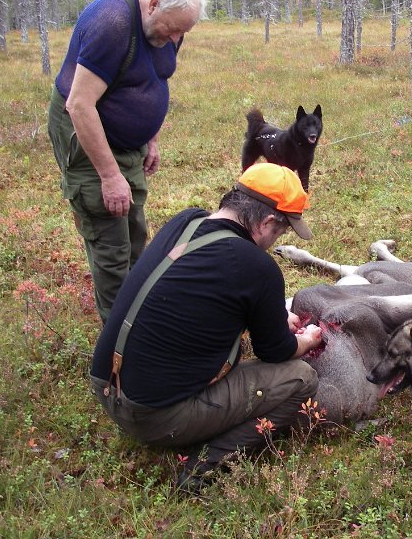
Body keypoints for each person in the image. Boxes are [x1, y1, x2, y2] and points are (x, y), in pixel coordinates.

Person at [89, 163, 323, 492]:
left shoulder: (185, 221)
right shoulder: (257, 266)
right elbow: (276, 351)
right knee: (302, 378)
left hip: (105, 385)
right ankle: (205, 465)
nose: (275, 242)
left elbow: (202, 296)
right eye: (281, 233)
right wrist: (306, 340)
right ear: (267, 222)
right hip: (153, 418)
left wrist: (271, 315)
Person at [48, 0, 208, 323]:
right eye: (173, 29)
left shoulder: (167, 25)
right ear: (153, 5)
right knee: (111, 240)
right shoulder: (112, 23)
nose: (176, 38)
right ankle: (117, 339)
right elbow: (79, 105)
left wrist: (150, 137)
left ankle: (138, 318)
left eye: (183, 31)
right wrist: (108, 175)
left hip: (126, 142)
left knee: (135, 232)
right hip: (85, 132)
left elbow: (154, 79)